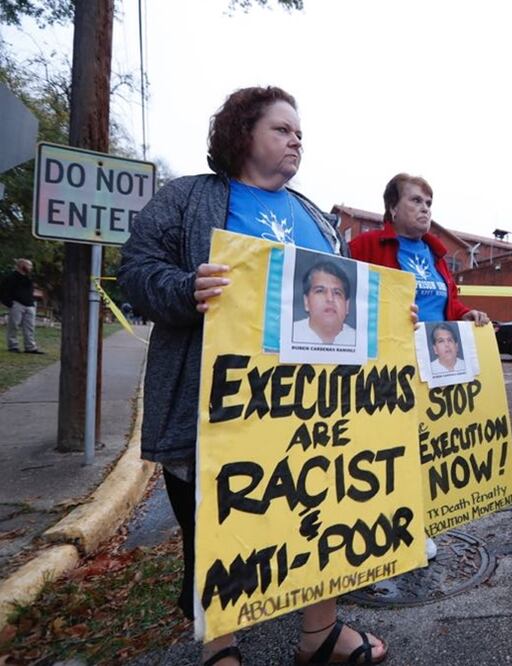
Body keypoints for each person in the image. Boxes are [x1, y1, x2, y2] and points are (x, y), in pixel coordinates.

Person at [119, 86, 386, 666]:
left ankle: (322, 636)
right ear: (244, 134)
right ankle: (222, 647)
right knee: (214, 523)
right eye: (282, 130)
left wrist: (388, 315)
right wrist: (185, 289)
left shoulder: (315, 214)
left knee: (321, 513)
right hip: (217, 405)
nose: (296, 141)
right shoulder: (188, 199)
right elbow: (136, 271)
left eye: (299, 134)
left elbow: (347, 298)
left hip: (313, 407)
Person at [350, 173, 489, 561]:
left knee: (425, 448)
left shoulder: (437, 255)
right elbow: (351, 297)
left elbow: (448, 307)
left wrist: (468, 314)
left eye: (429, 202)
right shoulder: (365, 245)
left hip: (434, 367)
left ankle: (417, 524)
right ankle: (379, 526)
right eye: (416, 201)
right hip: (387, 366)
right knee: (384, 448)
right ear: (393, 207)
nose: (425, 208)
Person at [294, 259, 356, 345]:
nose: (330, 299)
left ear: (347, 305)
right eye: (320, 291)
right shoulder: (288, 335)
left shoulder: (359, 341)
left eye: (337, 293)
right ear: (306, 301)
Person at [2, 258, 43, 354]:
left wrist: (33, 301)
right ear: (22, 266)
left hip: (30, 304)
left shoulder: (28, 277)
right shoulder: (11, 277)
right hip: (17, 304)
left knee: (30, 327)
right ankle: (13, 346)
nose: (31, 268)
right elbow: (4, 291)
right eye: (29, 265)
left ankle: (30, 347)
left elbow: (31, 290)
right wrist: (10, 303)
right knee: (14, 326)